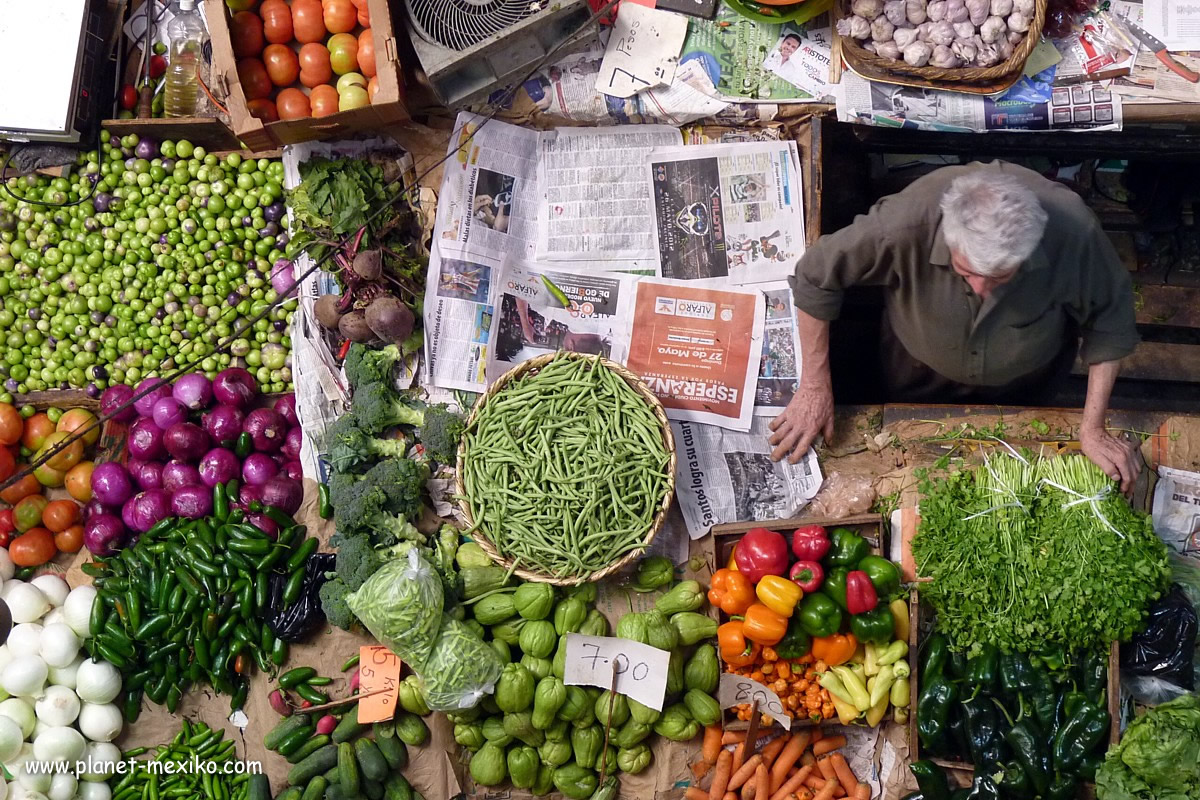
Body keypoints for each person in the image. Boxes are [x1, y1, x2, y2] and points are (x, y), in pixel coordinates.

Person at [769, 161, 1141, 490]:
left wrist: (1092, 429)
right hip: (916, 371)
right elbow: (816, 276)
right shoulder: (904, 223)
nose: (982, 289)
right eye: (967, 272)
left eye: (1001, 277)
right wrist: (815, 386)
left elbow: (1111, 319)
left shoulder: (1075, 232)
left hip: (1027, 382)